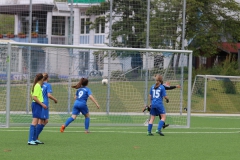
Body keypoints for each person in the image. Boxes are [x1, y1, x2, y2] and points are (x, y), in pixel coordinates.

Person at [35, 73, 58, 144]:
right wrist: (55, 99)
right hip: (44, 103)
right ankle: (35, 136)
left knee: (40, 120)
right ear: (47, 78)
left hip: (38, 102)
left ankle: (36, 136)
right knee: (44, 121)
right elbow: (48, 95)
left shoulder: (38, 84)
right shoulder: (47, 85)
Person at [27, 73, 47, 145]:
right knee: (34, 122)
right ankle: (30, 140)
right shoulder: (37, 86)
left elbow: (32, 95)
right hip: (37, 104)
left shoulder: (36, 85)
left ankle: (34, 139)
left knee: (37, 122)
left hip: (36, 104)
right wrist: (42, 104)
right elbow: (34, 97)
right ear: (42, 79)